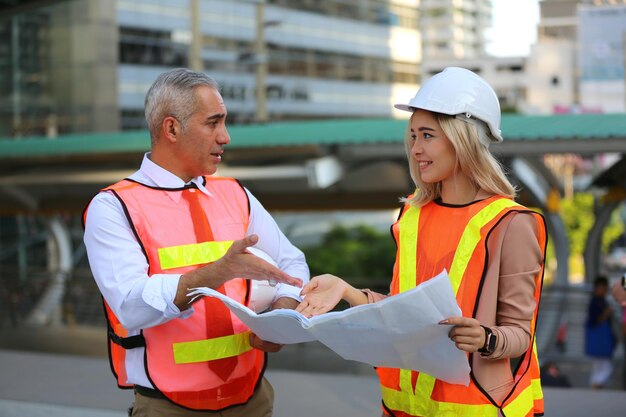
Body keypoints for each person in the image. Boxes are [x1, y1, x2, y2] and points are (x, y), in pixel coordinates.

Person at [296, 67, 547, 417]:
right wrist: (346, 291)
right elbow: (401, 315)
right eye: (413, 136)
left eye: (428, 135)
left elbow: (521, 333)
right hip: (403, 408)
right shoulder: (411, 217)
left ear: (463, 138)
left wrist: (486, 338)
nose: (415, 149)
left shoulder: (512, 223)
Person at [83, 68, 309, 416]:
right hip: (167, 406)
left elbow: (293, 265)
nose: (226, 137)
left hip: (254, 398)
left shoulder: (237, 194)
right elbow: (130, 306)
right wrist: (214, 274)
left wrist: (282, 309)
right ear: (171, 128)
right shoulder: (113, 207)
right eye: (213, 123)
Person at [584, 276, 616, 389]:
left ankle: (595, 385)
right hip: (600, 339)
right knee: (605, 366)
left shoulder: (599, 301)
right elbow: (594, 320)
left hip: (600, 339)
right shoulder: (596, 302)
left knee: (598, 366)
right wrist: (606, 313)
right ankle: (596, 384)